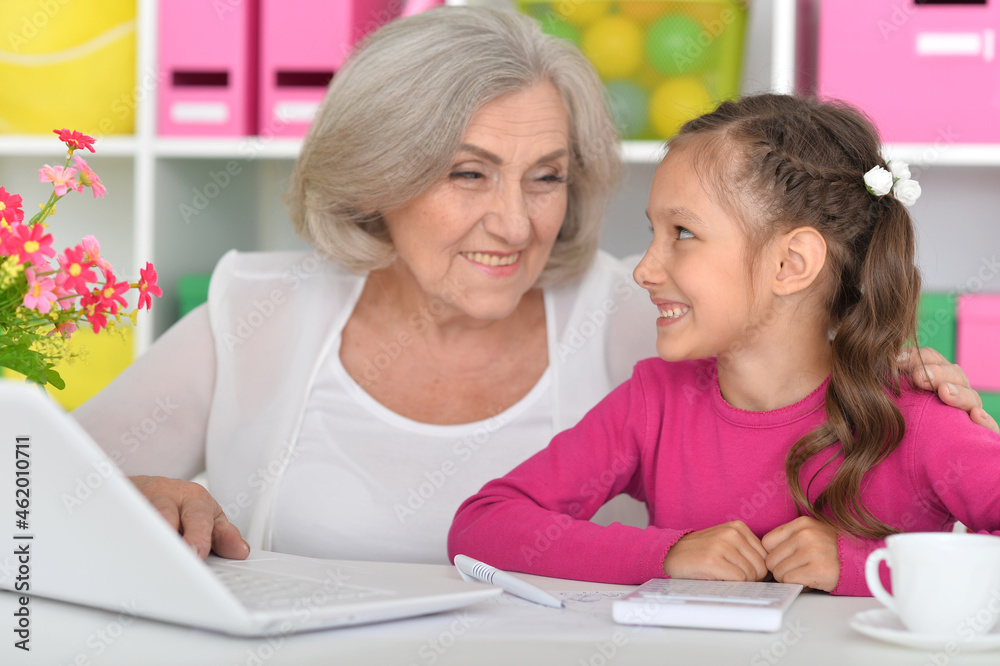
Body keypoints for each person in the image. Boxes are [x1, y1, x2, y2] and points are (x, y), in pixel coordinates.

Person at [74, 9, 990, 567]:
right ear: (377, 176)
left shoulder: (644, 317)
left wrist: (879, 367)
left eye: (546, 177)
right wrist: (132, 495)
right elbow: (27, 488)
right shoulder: (257, 309)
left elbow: (785, 364)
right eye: (468, 174)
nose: (515, 224)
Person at [448, 93, 1000, 595]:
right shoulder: (655, 402)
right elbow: (482, 525)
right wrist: (665, 554)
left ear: (790, 263)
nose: (643, 270)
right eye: (653, 232)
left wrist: (864, 565)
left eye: (683, 233)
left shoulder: (919, 416)